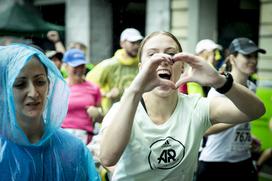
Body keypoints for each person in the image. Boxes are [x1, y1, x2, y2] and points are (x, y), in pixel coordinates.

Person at [98, 32, 265, 180]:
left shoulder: (196, 107)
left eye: (171, 54)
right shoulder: (122, 109)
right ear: (141, 67)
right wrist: (134, 90)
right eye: (152, 54)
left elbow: (256, 111)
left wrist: (219, 81)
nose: (162, 59)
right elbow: (107, 158)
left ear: (182, 66)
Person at [0, 44, 100, 180]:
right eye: (20, 84)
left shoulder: (73, 150)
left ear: (49, 85)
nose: (33, 93)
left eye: (40, 82)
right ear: (3, 91)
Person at [196, 37, 266, 181]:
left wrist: (248, 137)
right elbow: (205, 129)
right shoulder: (220, 88)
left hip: (243, 160)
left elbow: (240, 122)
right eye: (247, 56)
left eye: (255, 56)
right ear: (233, 58)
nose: (253, 60)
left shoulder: (251, 87)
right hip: (216, 163)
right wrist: (244, 116)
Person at [86, 28, 143, 113]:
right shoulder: (109, 64)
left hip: (137, 111)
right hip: (112, 113)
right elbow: (89, 84)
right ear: (122, 43)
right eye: (133, 43)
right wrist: (106, 93)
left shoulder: (143, 64)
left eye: (139, 42)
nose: (136, 46)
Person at [61, 48, 103, 144]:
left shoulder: (94, 88)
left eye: (82, 66)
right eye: (75, 66)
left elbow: (101, 118)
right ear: (66, 66)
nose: (80, 70)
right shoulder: (59, 87)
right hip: (63, 137)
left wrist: (98, 114)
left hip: (86, 138)